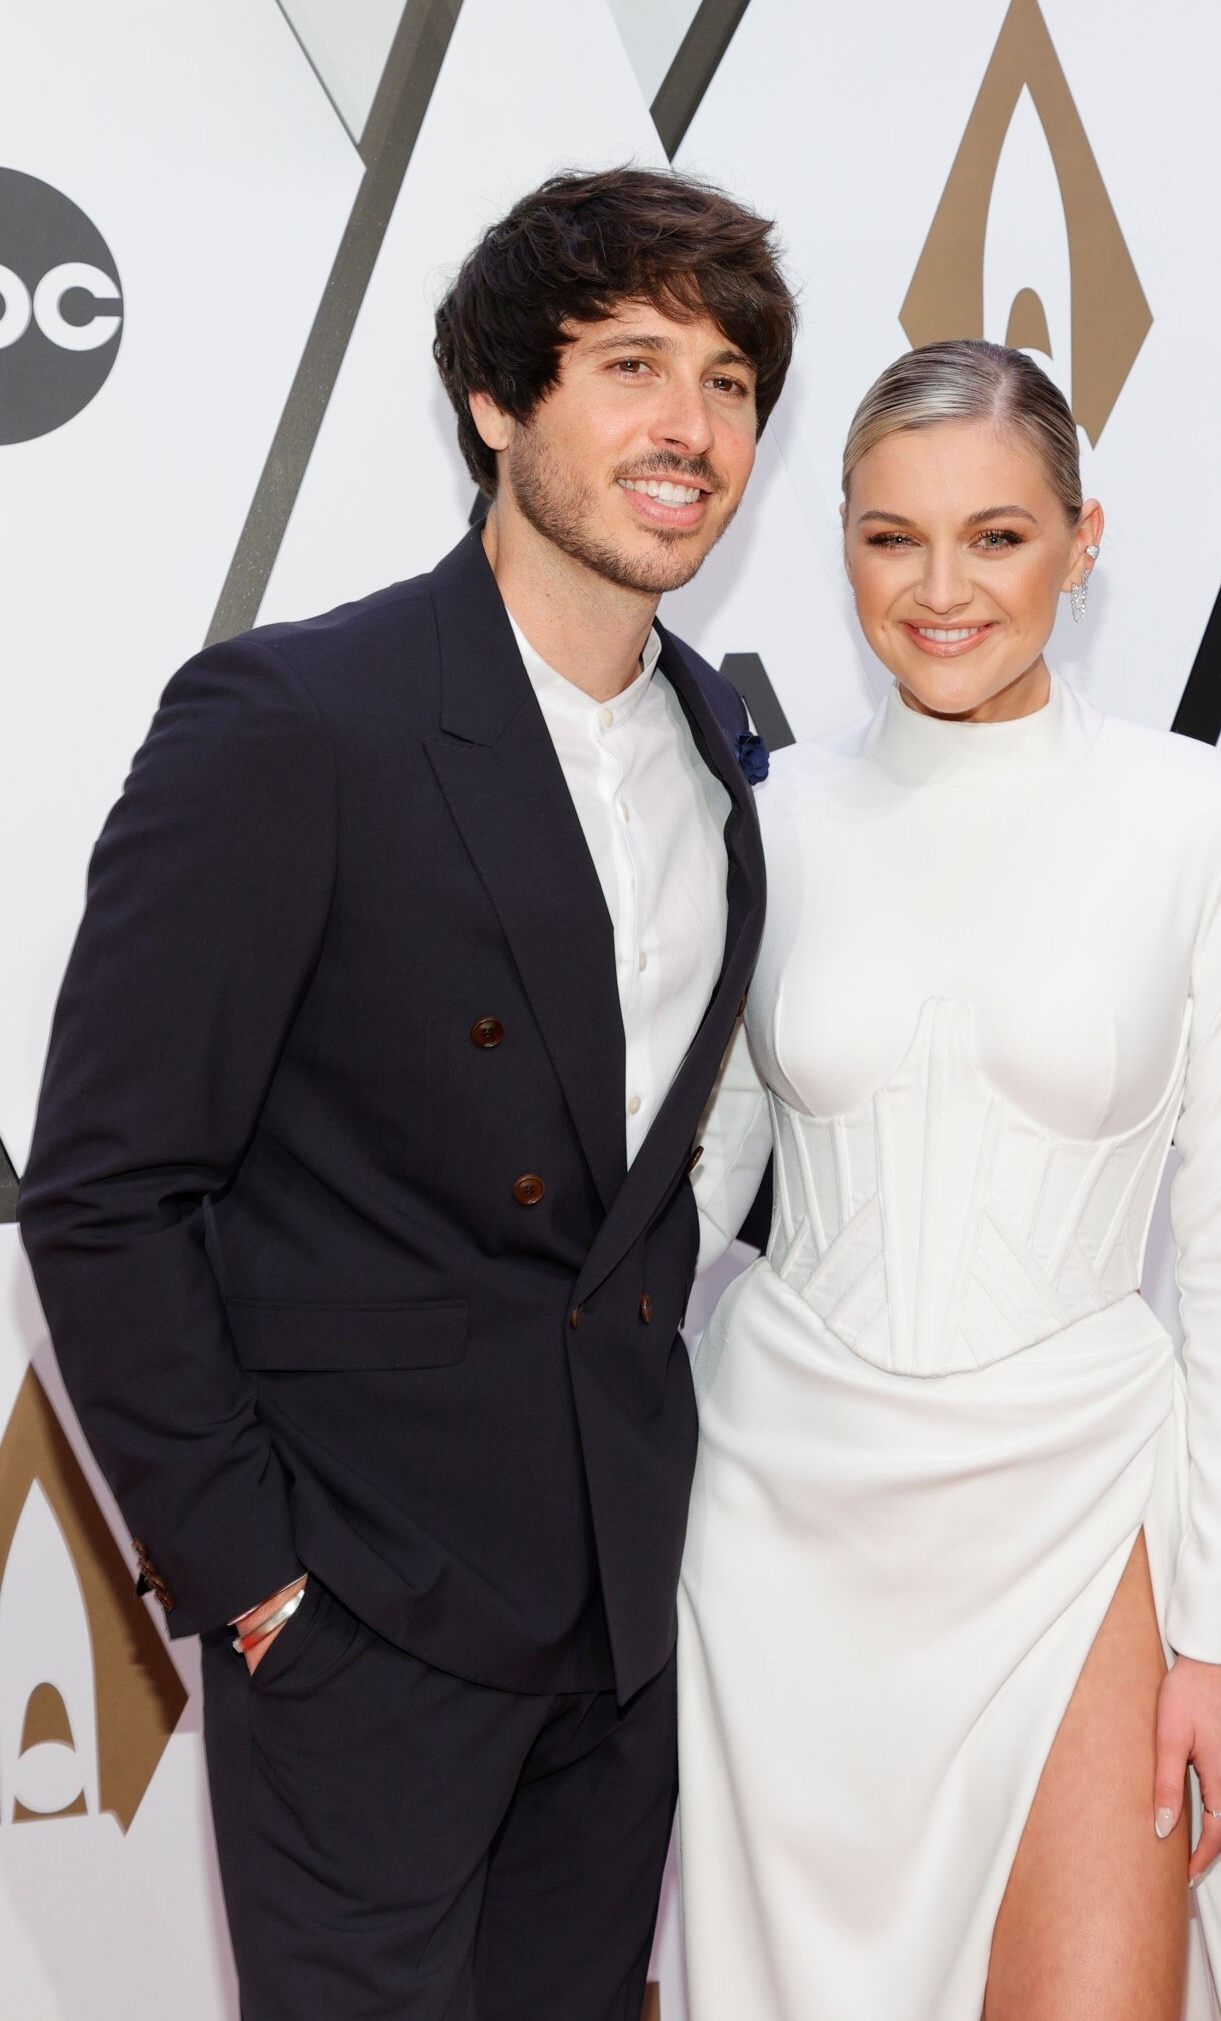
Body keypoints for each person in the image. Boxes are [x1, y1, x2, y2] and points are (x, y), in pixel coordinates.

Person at [18, 165, 794, 2021]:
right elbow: (107, 1187)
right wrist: (257, 1583)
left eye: (728, 382)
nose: (689, 428)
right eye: (631, 364)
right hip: (361, 1617)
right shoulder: (300, 719)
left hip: (618, 1623)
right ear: (495, 400)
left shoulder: (718, 747)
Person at [678, 339, 1221, 2020]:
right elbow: (693, 1189)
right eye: (889, 537)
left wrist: (1219, 1638)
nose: (940, 590)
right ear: (839, 542)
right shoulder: (766, 817)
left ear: (1080, 538)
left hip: (1079, 1503)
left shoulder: (1198, 820)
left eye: (994, 535)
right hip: (782, 1523)